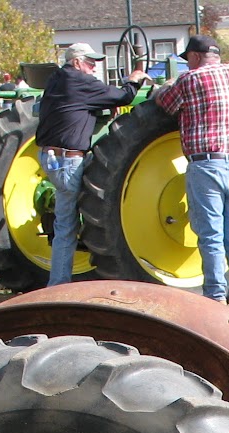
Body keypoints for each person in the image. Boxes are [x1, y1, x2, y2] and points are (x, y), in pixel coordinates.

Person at [154, 35, 229, 313]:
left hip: (205, 164)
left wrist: (163, 86)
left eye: (187, 61)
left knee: (210, 234)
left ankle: (215, 296)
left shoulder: (190, 80)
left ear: (195, 57)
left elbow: (165, 102)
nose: (187, 66)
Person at [35, 43, 146, 286]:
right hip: (67, 161)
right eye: (90, 62)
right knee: (68, 225)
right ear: (76, 62)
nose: (94, 68)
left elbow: (76, 108)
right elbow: (124, 95)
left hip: (49, 158)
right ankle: (58, 287)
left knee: (64, 221)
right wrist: (134, 79)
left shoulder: (58, 79)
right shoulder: (79, 81)